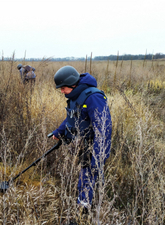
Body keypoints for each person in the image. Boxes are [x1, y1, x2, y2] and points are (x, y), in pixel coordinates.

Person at [51, 65, 112, 217]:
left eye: (63, 88)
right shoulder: (74, 97)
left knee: (87, 177)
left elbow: (103, 130)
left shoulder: (93, 97)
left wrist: (98, 157)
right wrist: (59, 131)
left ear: (73, 84)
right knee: (89, 177)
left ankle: (83, 213)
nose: (62, 91)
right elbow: (72, 117)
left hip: (93, 145)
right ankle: (92, 199)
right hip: (83, 143)